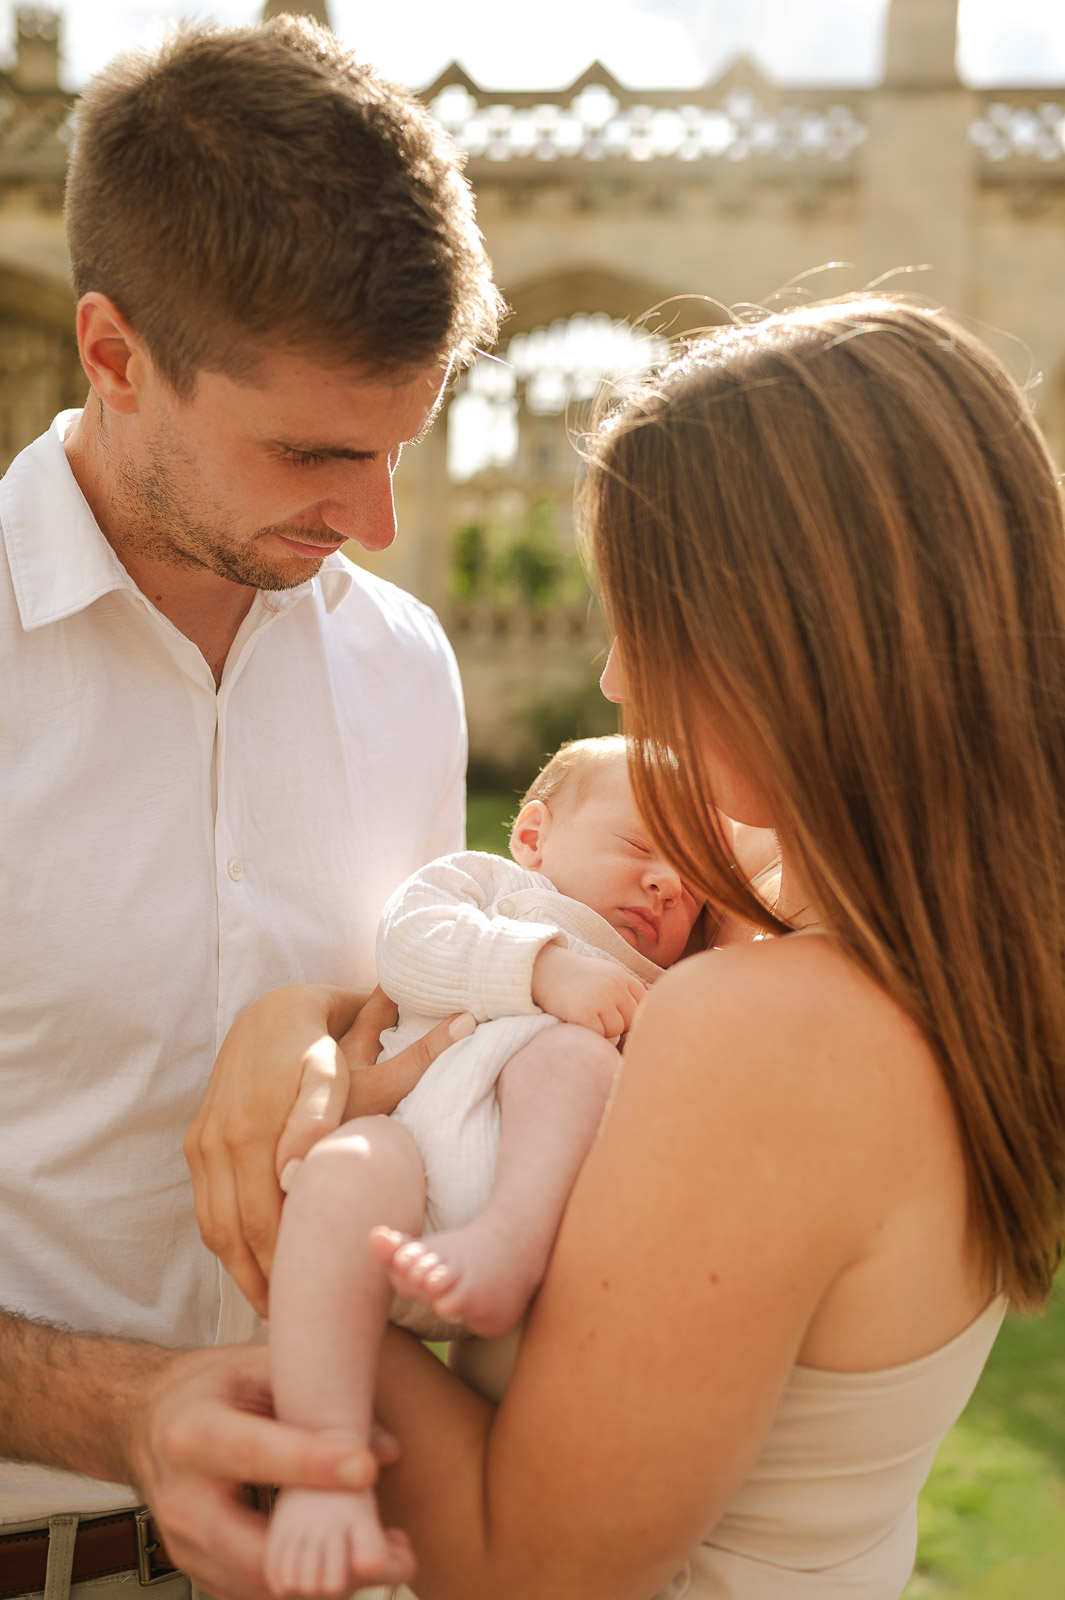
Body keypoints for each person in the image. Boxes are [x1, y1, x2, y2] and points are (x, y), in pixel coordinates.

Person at [199, 296, 1065, 1600]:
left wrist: (298, 1201)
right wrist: (310, 1017)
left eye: (642, 618)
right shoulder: (942, 963)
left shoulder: (770, 1029)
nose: (612, 679)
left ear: (786, 643)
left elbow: (528, 1569)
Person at [0, 14, 502, 1600]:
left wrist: (330, 1020)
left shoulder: (406, 665)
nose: (374, 519)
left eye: (401, 445)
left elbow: (441, 1094)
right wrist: (121, 1411)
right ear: (113, 352)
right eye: (313, 452)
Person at [264, 736, 701, 1594]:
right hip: (406, 1183)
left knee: (575, 1062)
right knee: (344, 1164)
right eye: (642, 848)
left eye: (691, 882)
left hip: (522, 1227)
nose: (664, 883)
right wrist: (543, 968)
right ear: (533, 835)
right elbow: (407, 944)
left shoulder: (663, 980)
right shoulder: (491, 891)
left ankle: (505, 1244)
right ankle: (323, 1470)